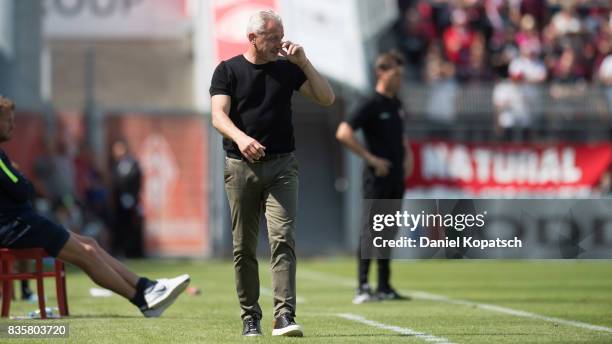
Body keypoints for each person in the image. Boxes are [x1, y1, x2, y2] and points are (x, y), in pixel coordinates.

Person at [0, 95, 190, 317]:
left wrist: (20, 182)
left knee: (90, 243)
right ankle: (142, 300)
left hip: (21, 224)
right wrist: (21, 181)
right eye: (8, 120)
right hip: (17, 226)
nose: (13, 124)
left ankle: (147, 286)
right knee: (87, 253)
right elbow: (23, 189)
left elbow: (20, 188)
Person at [209, 9, 334, 337]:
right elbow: (218, 116)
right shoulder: (227, 71)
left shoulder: (287, 70)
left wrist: (304, 62)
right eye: (274, 37)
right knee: (244, 247)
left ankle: (284, 316)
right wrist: (241, 137)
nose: (281, 42)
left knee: (282, 239)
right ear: (253, 38)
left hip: (282, 167)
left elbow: (327, 97)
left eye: (282, 35)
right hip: (240, 167)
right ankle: (250, 317)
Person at [336, 51, 410, 304]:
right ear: (382, 72)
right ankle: (363, 286)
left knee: (389, 230)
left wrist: (407, 154)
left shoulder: (396, 104)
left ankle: (385, 286)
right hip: (376, 177)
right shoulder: (370, 103)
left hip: (396, 176)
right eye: (396, 74)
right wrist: (371, 160)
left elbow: (400, 137)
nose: (400, 80)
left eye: (401, 75)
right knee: (371, 230)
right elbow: (344, 132)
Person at [110, 140, 144, 258]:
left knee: (132, 227)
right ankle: (122, 251)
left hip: (131, 201)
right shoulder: (115, 164)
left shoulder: (132, 163)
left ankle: (133, 252)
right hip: (119, 203)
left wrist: (131, 196)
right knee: (121, 227)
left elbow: (136, 179)